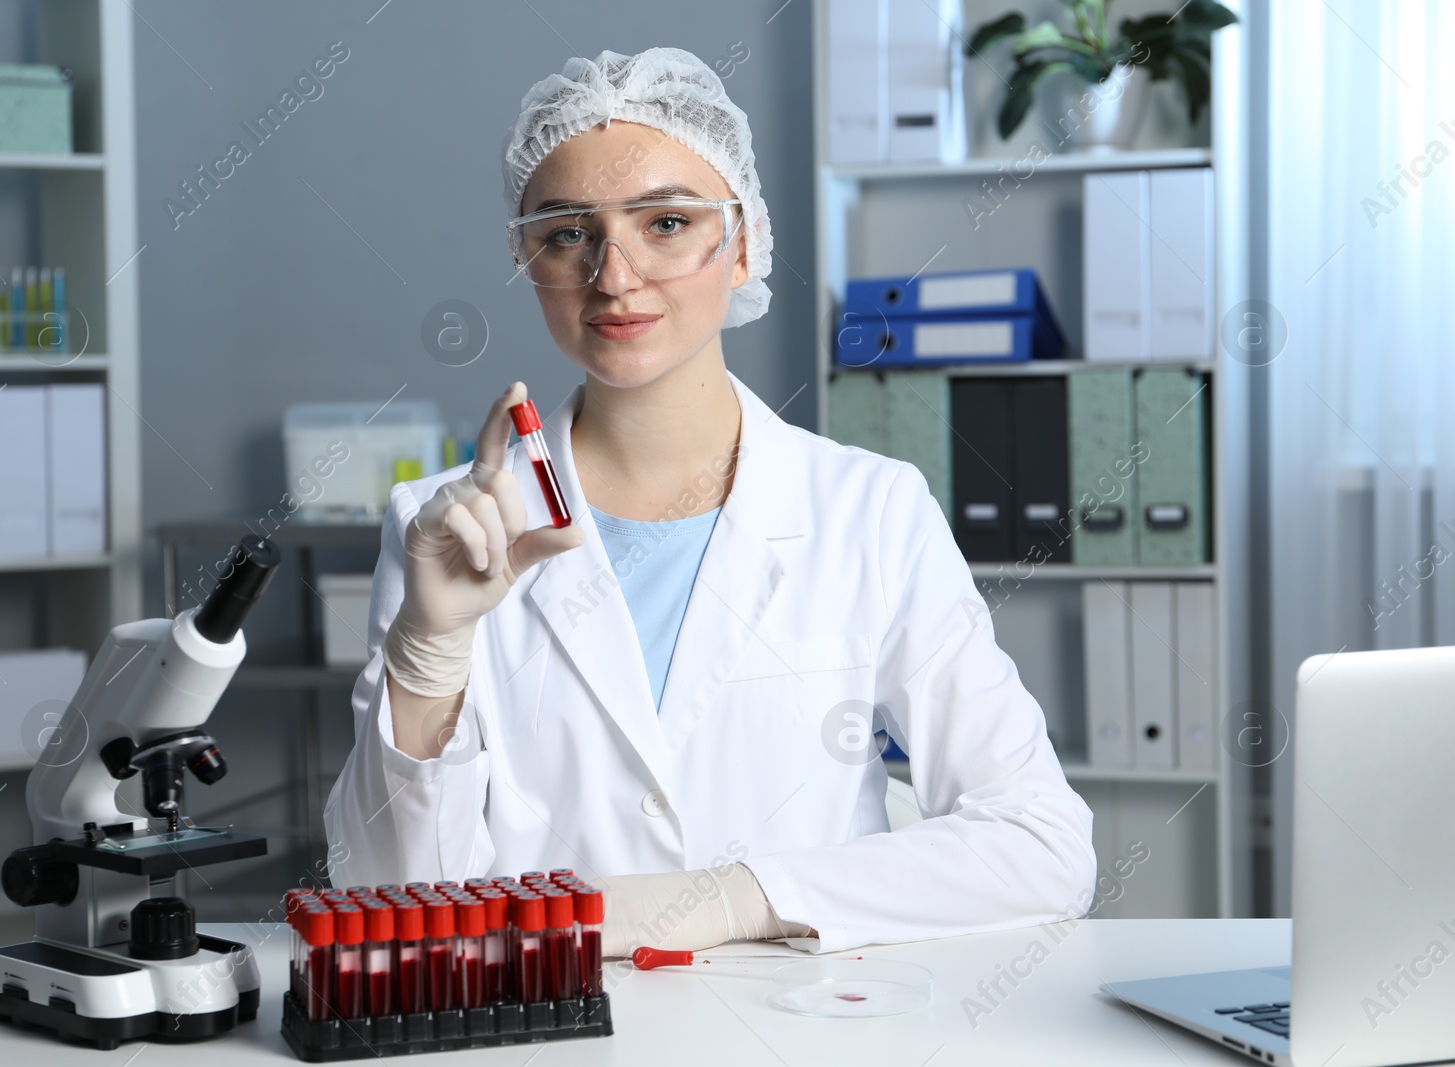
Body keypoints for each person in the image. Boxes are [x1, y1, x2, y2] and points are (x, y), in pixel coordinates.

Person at [325, 47, 1096, 956]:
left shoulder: (870, 511)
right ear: (526, 257)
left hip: (804, 1030)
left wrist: (734, 898)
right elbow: (388, 904)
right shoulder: (444, 531)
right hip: (546, 1033)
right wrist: (431, 656)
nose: (614, 275)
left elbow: (1043, 845)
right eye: (569, 231)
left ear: (743, 245)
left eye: (666, 222)